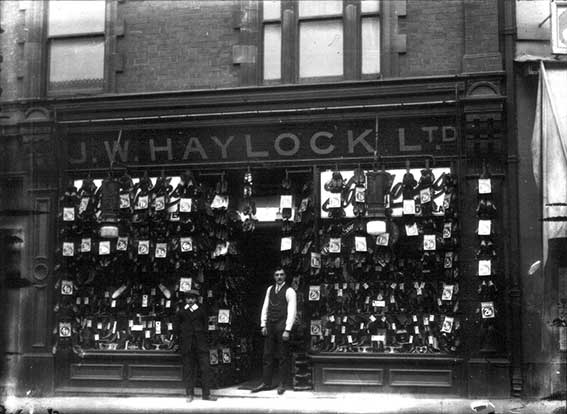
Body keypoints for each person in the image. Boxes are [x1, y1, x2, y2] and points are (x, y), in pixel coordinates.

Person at [251, 267, 297, 395]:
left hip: (282, 325)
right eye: (277, 275)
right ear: (273, 276)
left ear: (285, 276)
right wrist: (263, 324)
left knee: (282, 355)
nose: (279, 277)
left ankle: (282, 383)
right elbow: (265, 306)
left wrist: (287, 329)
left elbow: (292, 311)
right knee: (267, 354)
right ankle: (266, 382)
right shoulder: (270, 289)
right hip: (270, 325)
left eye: (281, 274)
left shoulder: (290, 291)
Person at [175, 289, 217, 402]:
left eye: (192, 298)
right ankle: (189, 394)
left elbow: (205, 327)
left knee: (205, 369)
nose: (190, 300)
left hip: (200, 344)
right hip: (187, 345)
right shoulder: (181, 312)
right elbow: (177, 328)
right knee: (188, 370)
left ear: (196, 299)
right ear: (185, 299)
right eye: (188, 298)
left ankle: (206, 394)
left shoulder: (201, 311)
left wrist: (204, 339)